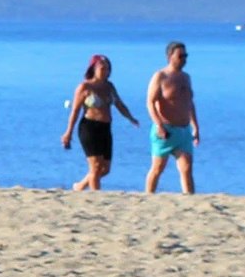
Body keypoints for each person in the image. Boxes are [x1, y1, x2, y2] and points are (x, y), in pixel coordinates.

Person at [60, 53, 134, 190]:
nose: (105, 71)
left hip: (105, 128)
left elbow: (119, 104)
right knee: (95, 167)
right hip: (89, 128)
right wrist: (68, 132)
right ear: (93, 68)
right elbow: (75, 111)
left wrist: (130, 118)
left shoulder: (109, 86)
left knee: (105, 169)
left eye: (107, 68)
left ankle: (80, 186)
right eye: (102, 68)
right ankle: (96, 196)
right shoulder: (84, 87)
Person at [143, 41, 202, 194]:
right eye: (180, 56)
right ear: (170, 56)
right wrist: (159, 125)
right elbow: (150, 102)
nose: (184, 59)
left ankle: (190, 198)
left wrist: (195, 126)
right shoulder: (160, 76)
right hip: (165, 130)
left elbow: (189, 102)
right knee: (158, 168)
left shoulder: (186, 77)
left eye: (185, 56)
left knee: (187, 167)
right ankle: (148, 197)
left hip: (183, 130)